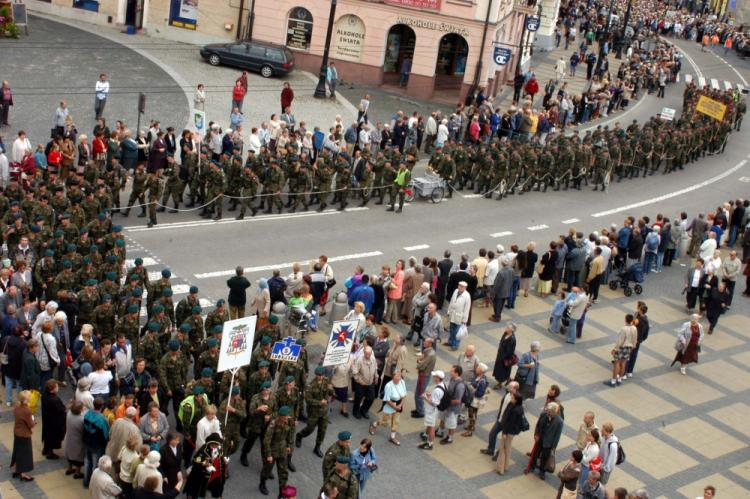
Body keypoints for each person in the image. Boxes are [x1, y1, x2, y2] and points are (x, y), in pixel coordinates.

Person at [526, 401, 563, 479]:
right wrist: (536, 434)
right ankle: (532, 467)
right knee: (535, 454)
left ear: (554, 411)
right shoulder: (543, 415)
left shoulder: (559, 421)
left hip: (548, 443)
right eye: (547, 410)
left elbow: (557, 435)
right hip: (540, 439)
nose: (547, 412)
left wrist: (553, 447)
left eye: (549, 411)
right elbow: (538, 425)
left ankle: (542, 471)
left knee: (544, 458)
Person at [368, 369, 406, 445]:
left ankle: (392, 437)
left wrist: (400, 405)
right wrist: (395, 407)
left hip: (399, 404)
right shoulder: (388, 386)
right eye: (396, 376)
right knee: (384, 421)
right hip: (390, 404)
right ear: (393, 376)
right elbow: (387, 399)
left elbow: (404, 395)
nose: (398, 377)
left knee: (396, 421)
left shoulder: (402, 382)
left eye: (399, 375)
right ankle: (374, 424)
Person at [496, 391, 525, 475]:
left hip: (508, 431)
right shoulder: (519, 407)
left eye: (513, 398)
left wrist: (504, 432)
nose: (511, 398)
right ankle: (505, 466)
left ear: (516, 400)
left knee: (502, 448)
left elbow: (510, 423)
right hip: (512, 431)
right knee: (508, 448)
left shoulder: (515, 410)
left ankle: (500, 468)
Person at [605, 314, 637, 387]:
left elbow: (620, 340)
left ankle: (613, 381)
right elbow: (635, 338)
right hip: (629, 347)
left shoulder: (624, 329)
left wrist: (615, 349)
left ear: (625, 320)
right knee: (623, 363)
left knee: (617, 364)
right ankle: (619, 379)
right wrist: (633, 346)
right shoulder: (634, 328)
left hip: (622, 348)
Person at [11, 390, 36, 481]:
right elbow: (31, 424)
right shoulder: (27, 410)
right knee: (25, 454)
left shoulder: (17, 407)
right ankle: (23, 473)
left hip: (17, 431)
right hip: (24, 434)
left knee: (17, 450)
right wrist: (34, 421)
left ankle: (16, 468)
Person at [418, 370, 445, 450]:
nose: (433, 378)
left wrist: (425, 397)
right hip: (434, 410)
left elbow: (434, 403)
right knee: (430, 424)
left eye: (435, 376)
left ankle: (430, 444)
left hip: (432, 410)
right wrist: (430, 395)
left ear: (438, 378)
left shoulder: (437, 390)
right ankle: (426, 435)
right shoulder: (442, 385)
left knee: (432, 426)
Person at [41, 379, 66, 460]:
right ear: (52, 389)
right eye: (57, 387)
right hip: (55, 421)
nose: (58, 388)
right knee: (52, 437)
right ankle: (50, 453)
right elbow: (61, 410)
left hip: (47, 418)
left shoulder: (44, 395)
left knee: (47, 435)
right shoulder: (54, 400)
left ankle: (46, 449)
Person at [447, 281, 471, 350]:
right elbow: (451, 301)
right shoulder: (455, 291)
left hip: (460, 317)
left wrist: (465, 320)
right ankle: (450, 341)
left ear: (465, 288)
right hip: (452, 314)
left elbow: (467, 308)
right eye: (459, 285)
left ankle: (455, 345)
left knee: (457, 332)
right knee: (451, 329)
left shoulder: (467, 296)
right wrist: (449, 311)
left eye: (462, 286)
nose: (460, 287)